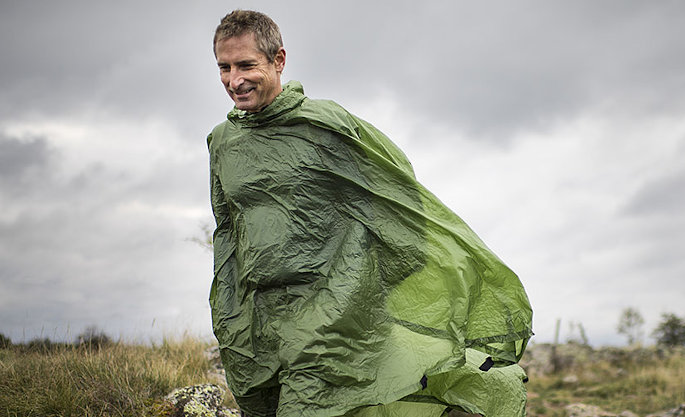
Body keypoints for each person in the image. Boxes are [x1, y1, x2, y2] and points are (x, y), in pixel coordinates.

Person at [207, 10, 533, 417]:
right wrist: (229, 313)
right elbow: (227, 232)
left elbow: (403, 208)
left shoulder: (326, 126)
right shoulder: (222, 143)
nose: (234, 80)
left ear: (279, 60)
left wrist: (353, 295)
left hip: (331, 316)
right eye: (224, 67)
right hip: (261, 320)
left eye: (246, 65)